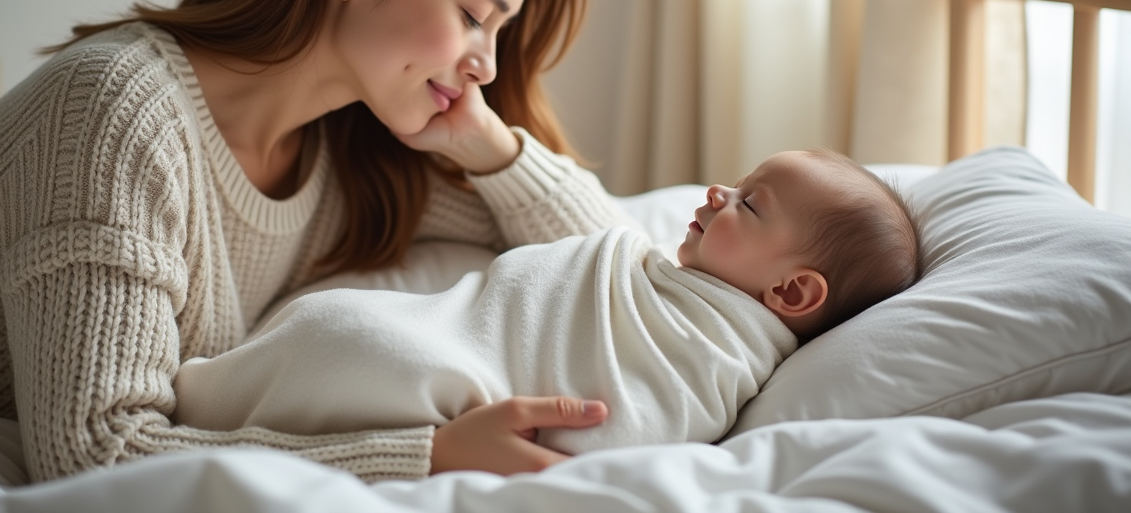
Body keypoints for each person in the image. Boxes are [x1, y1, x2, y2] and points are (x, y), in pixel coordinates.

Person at [0, 0, 636, 483]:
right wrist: (427, 453)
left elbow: (617, 273)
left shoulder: (346, 151)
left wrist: (491, 147)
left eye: (500, 32)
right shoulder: (116, 113)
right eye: (474, 16)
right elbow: (99, 451)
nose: (485, 64)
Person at [171, 149, 924, 453]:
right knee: (325, 335)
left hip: (417, 365)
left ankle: (205, 402)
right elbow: (584, 264)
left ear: (792, 290)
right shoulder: (672, 278)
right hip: (398, 329)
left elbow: (629, 424)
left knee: (336, 349)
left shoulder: (712, 351)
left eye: (750, 205)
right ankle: (205, 399)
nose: (719, 191)